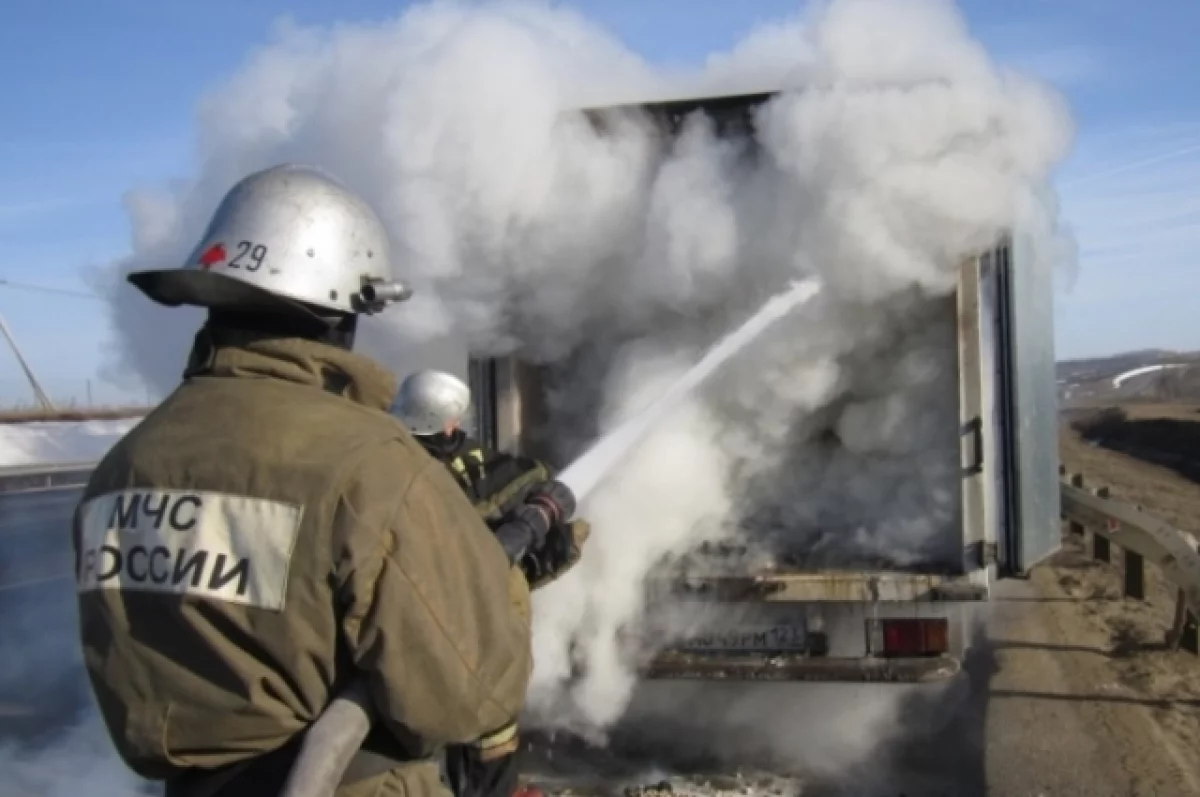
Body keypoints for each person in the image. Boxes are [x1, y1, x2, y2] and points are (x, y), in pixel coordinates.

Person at [71, 164, 578, 797]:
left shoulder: (122, 466)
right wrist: (499, 582)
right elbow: (467, 695)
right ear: (346, 310)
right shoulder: (369, 465)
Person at [391, 369, 591, 797]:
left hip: (430, 635)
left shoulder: (388, 461)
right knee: (484, 732)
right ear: (451, 422)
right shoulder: (447, 471)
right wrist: (533, 520)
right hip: (475, 635)